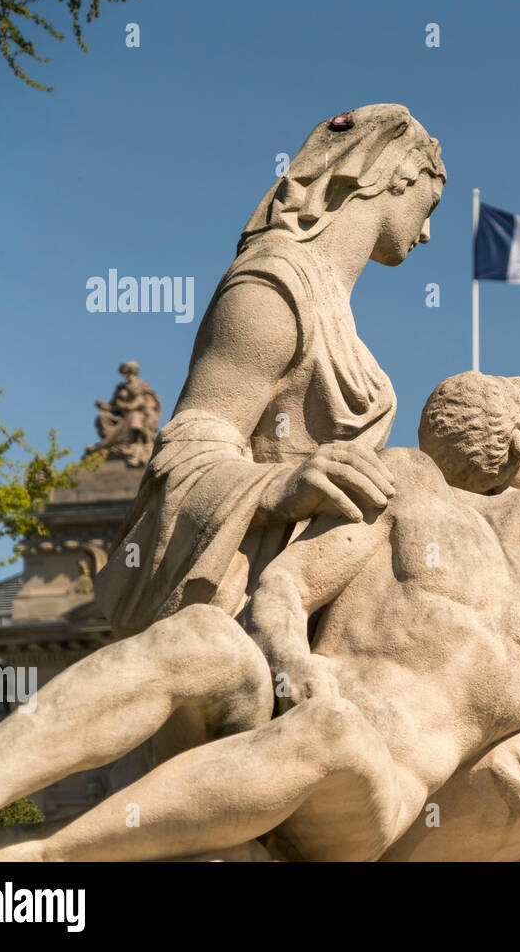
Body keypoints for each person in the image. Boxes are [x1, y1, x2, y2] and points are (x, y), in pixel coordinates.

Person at [0, 460, 520, 863]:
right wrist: (288, 655)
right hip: (288, 702)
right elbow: (288, 581)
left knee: (334, 731)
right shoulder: (419, 495)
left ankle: (35, 862)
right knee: (202, 638)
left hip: (377, 788)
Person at [94, 104, 445, 638]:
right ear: (395, 175)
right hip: (247, 606)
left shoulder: (334, 306)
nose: (428, 234)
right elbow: (184, 458)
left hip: (323, 589)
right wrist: (282, 486)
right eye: (431, 203)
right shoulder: (273, 287)